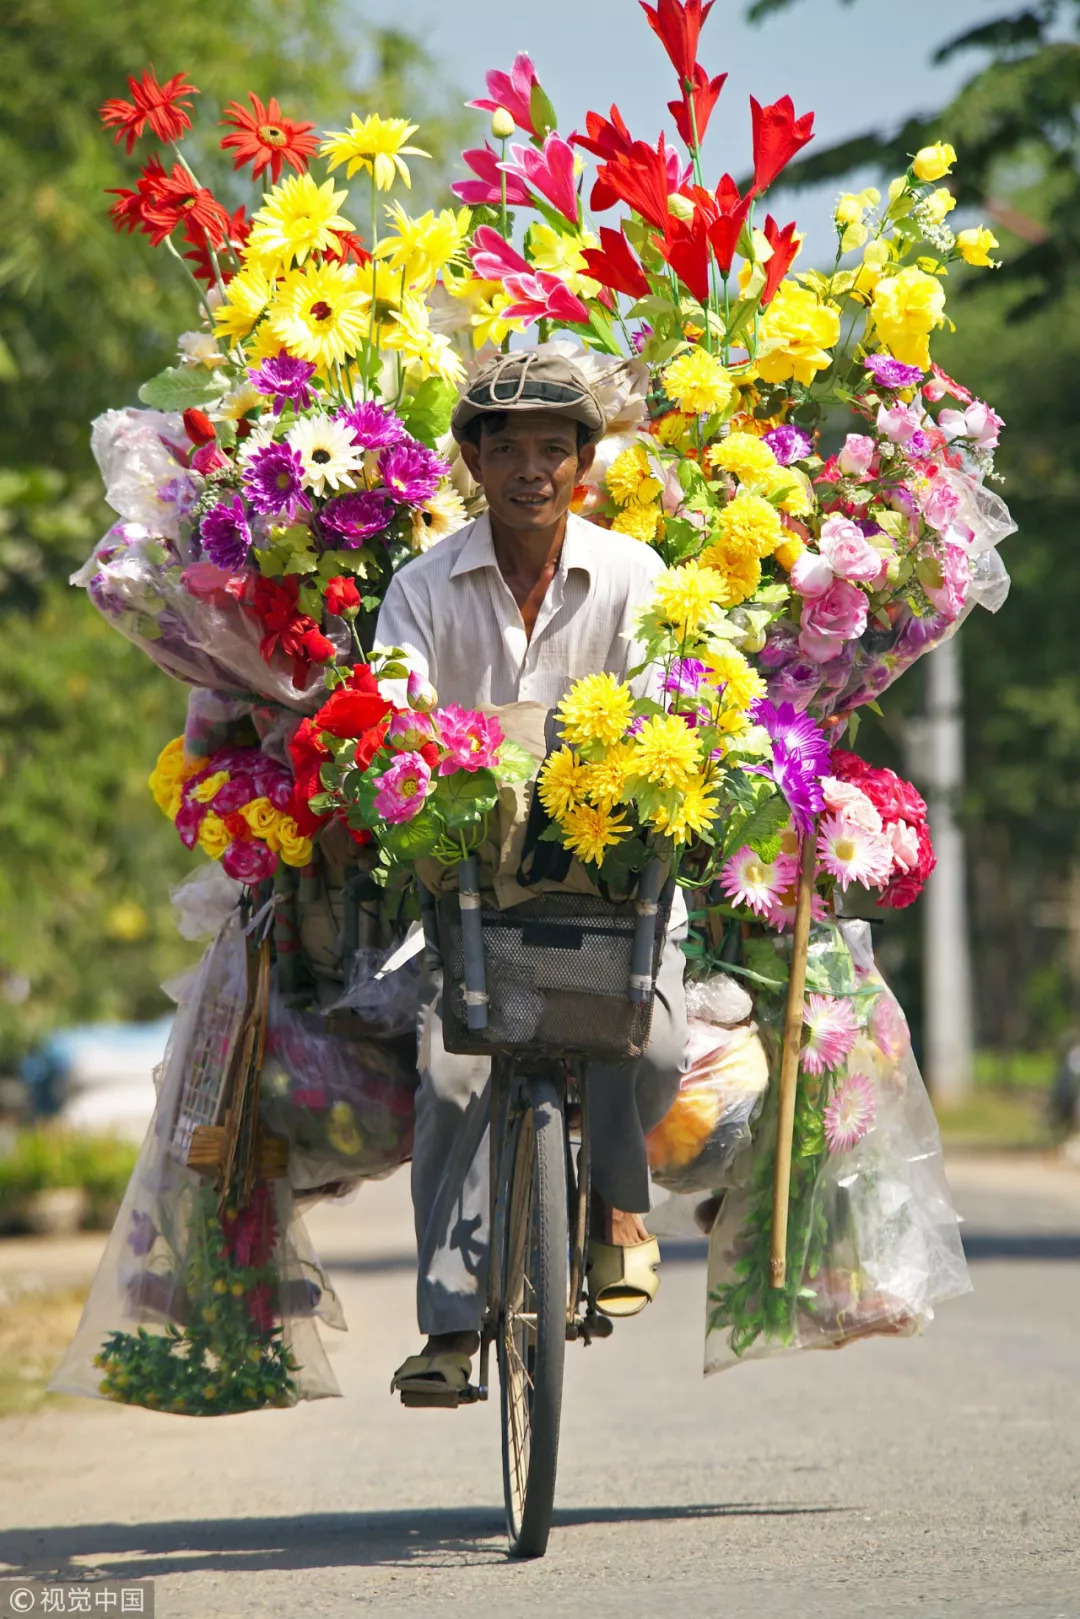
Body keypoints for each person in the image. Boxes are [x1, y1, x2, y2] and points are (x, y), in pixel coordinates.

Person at [375, 349, 688, 1403]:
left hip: (614, 880)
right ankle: (453, 1328)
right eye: (505, 449)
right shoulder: (422, 586)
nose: (530, 470)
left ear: (584, 463)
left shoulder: (636, 575)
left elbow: (669, 709)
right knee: (456, 1072)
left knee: (651, 1046)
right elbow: (392, 703)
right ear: (470, 461)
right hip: (471, 884)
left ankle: (613, 1204)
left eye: (553, 449)